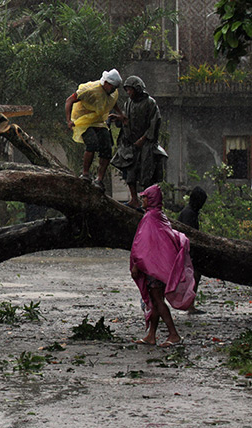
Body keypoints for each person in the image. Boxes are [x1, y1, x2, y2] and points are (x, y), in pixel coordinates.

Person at [130, 184, 196, 347]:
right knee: (154, 300)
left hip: (153, 267)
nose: (142, 200)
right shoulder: (159, 216)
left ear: (151, 199)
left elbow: (143, 245)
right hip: (158, 266)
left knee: (157, 300)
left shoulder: (150, 218)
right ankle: (151, 335)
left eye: (145, 197)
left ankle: (173, 334)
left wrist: (137, 264)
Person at [65, 69, 124, 191]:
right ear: (107, 83)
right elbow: (69, 100)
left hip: (98, 121)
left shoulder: (113, 92)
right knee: (92, 143)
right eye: (113, 87)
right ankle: (85, 173)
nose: (114, 90)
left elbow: (112, 102)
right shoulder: (90, 90)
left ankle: (99, 179)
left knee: (107, 147)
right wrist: (68, 120)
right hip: (82, 120)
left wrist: (120, 114)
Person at [110, 76, 164, 209]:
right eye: (127, 90)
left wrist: (144, 139)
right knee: (130, 172)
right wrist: (119, 118)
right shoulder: (128, 103)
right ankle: (134, 199)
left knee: (147, 173)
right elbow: (126, 120)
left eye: (130, 90)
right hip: (131, 144)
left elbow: (154, 122)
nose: (128, 93)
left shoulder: (150, 103)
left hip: (146, 144)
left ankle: (149, 201)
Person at [178, 186, 208, 313]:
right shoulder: (189, 213)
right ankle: (189, 305)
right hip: (186, 251)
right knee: (193, 277)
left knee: (195, 277)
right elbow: (190, 235)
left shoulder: (190, 212)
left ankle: (190, 304)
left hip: (188, 250)